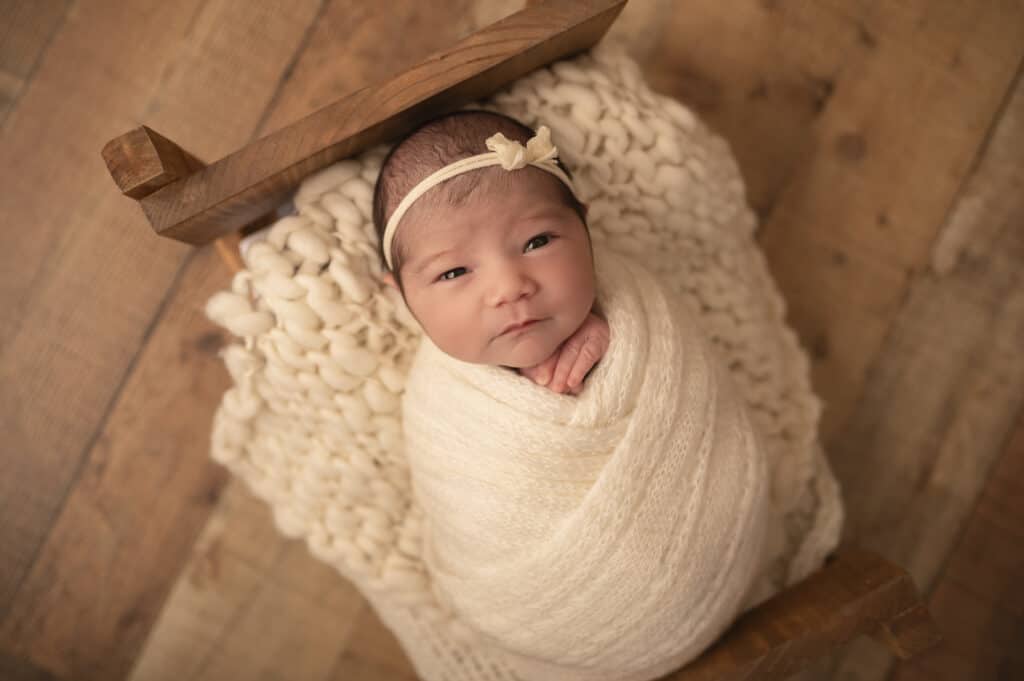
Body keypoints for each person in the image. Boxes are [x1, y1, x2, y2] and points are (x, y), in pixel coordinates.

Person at [373, 110, 610, 396]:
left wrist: (618, 341)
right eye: (454, 272)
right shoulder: (438, 394)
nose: (509, 289)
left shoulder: (622, 311)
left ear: (584, 227)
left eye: (537, 242)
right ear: (402, 294)